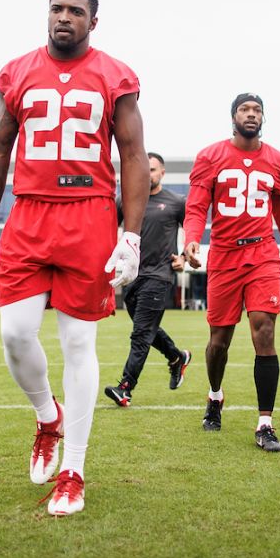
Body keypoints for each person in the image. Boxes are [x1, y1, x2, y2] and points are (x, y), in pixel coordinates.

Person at [0, 0, 148, 516]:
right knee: (14, 334)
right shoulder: (18, 71)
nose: (63, 17)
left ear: (93, 22)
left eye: (75, 11)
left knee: (79, 344)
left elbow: (134, 154)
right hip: (29, 213)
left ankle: (74, 468)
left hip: (89, 213)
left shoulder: (114, 75)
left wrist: (132, 234)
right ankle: (46, 414)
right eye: (56, 9)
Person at [183, 93, 280, 453]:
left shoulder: (277, 162)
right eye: (244, 109)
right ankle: (215, 396)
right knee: (218, 342)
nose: (251, 115)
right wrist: (192, 239)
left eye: (257, 111)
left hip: (263, 254)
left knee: (263, 330)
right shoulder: (211, 156)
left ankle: (265, 423)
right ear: (233, 117)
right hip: (223, 255)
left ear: (263, 118)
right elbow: (196, 205)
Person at [104, 152, 192, 407]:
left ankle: (125, 387)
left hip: (159, 276)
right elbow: (109, 230)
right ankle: (177, 357)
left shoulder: (176, 202)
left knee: (141, 333)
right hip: (129, 277)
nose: (148, 174)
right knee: (148, 330)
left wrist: (184, 259)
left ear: (162, 172)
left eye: (153, 170)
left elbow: (193, 233)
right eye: (145, 170)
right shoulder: (127, 201)